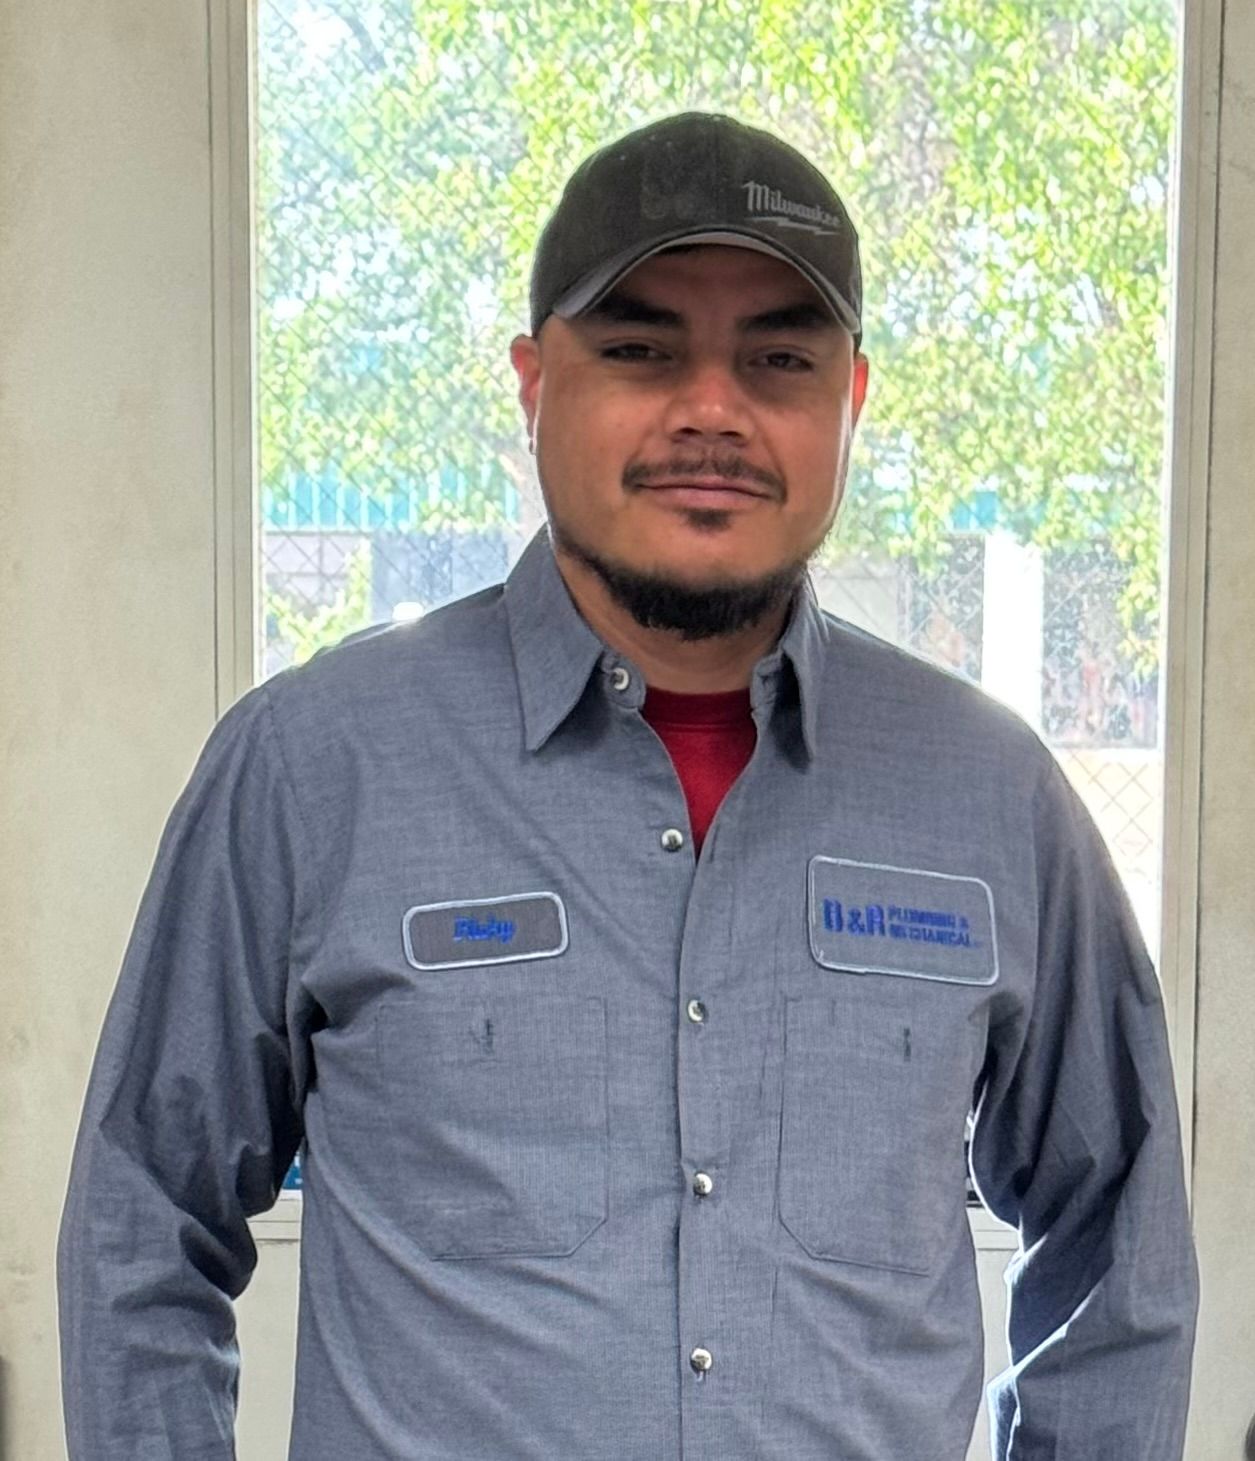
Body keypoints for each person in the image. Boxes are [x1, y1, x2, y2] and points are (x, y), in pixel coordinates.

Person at [58, 110, 1198, 1460]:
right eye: (643, 348)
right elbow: (143, 1213)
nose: (712, 410)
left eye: (778, 357)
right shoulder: (315, 767)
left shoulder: (994, 798)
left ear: (853, 398)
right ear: (535, 382)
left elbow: (1118, 1231)